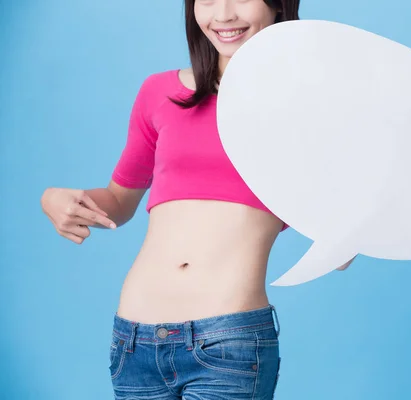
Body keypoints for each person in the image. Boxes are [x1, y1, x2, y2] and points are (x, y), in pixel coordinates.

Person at [40, 0, 353, 398]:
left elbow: (340, 247)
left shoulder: (307, 109)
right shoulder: (159, 92)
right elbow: (119, 201)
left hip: (228, 341)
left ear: (279, 4)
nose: (223, 15)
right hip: (134, 342)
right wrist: (57, 198)